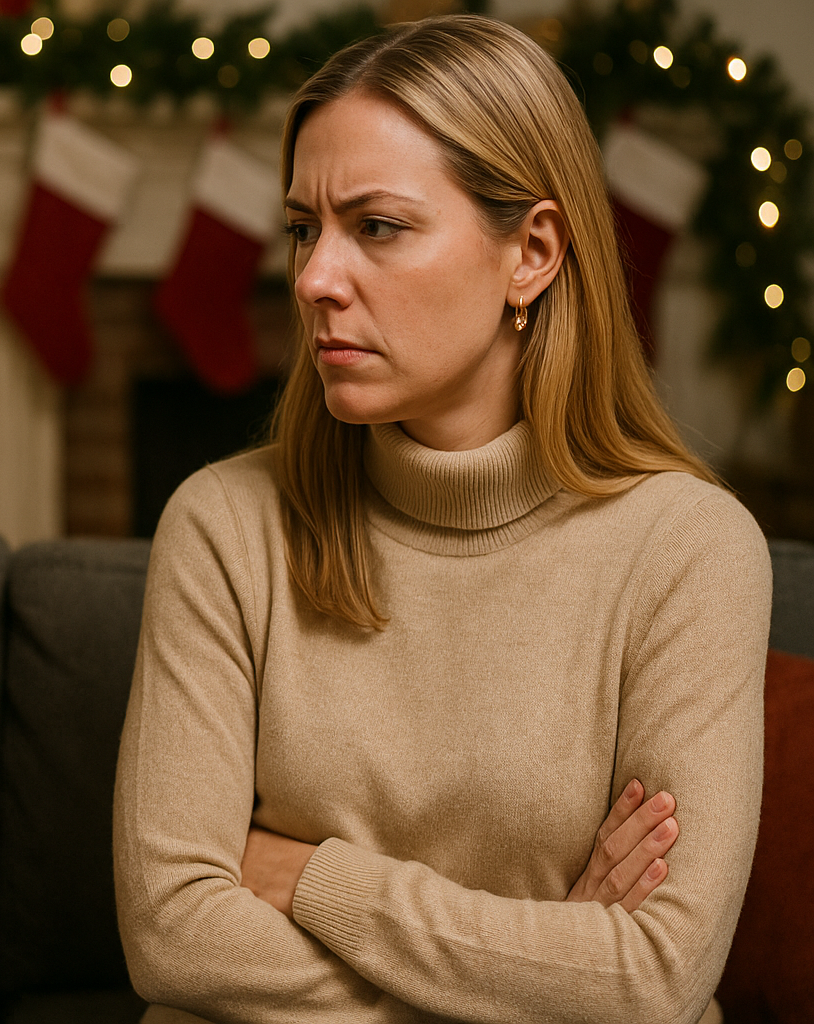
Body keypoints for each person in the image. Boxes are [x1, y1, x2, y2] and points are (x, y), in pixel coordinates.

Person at [113, 15, 770, 1024]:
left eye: (377, 227)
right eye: (303, 228)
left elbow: (652, 976)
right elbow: (171, 933)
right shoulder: (223, 525)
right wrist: (539, 978)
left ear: (532, 253)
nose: (314, 279)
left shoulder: (690, 549)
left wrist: (313, 879)